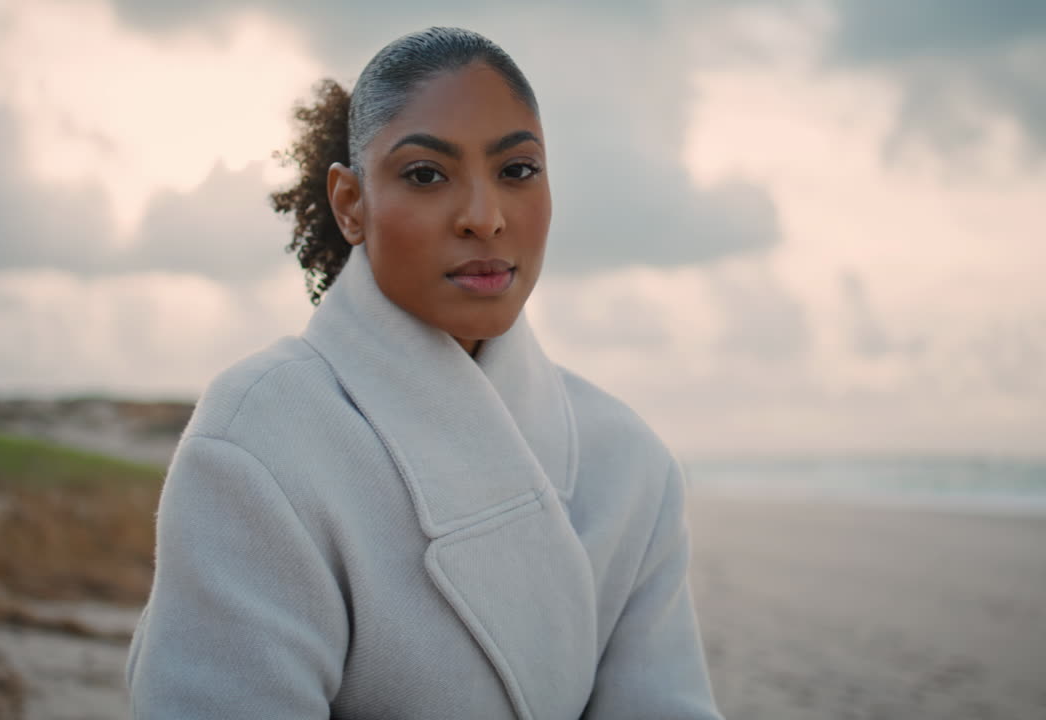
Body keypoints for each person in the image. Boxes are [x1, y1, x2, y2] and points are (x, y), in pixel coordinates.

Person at [126, 26, 724, 719]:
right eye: (426, 175)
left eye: (518, 170)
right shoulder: (255, 443)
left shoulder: (629, 465)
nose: (484, 217)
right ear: (351, 203)